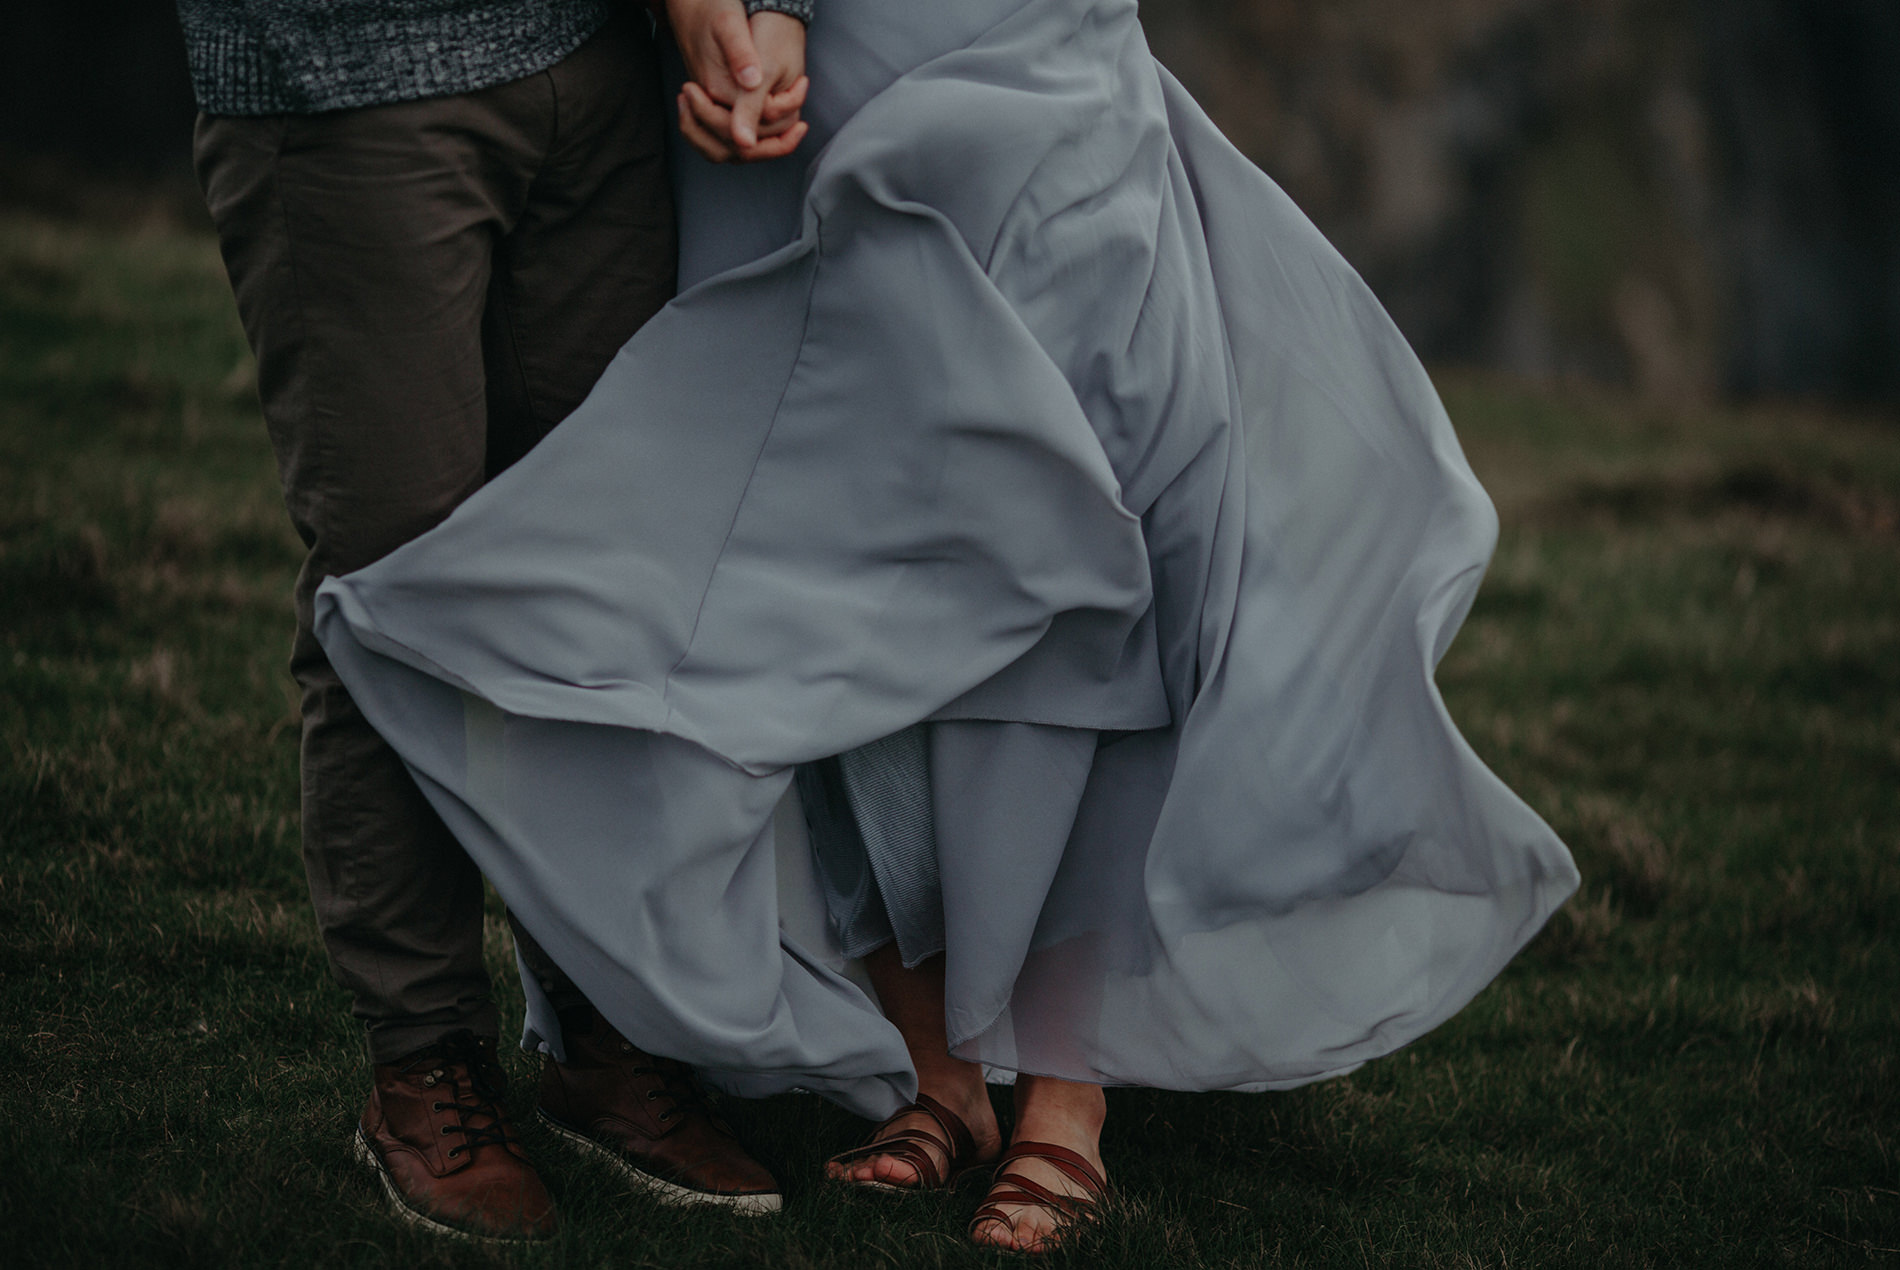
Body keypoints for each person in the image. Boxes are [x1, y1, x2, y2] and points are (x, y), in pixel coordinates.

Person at [313, 0, 1583, 1254]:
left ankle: (1066, 1092)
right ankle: (941, 1069)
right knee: (816, 551)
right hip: (784, 74)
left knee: (1087, 522)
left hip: (1020, 49)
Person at [181, 0, 821, 1242]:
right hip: (348, 79)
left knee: (603, 586)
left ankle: (602, 1032)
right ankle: (423, 1064)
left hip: (598, 66)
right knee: (396, 598)